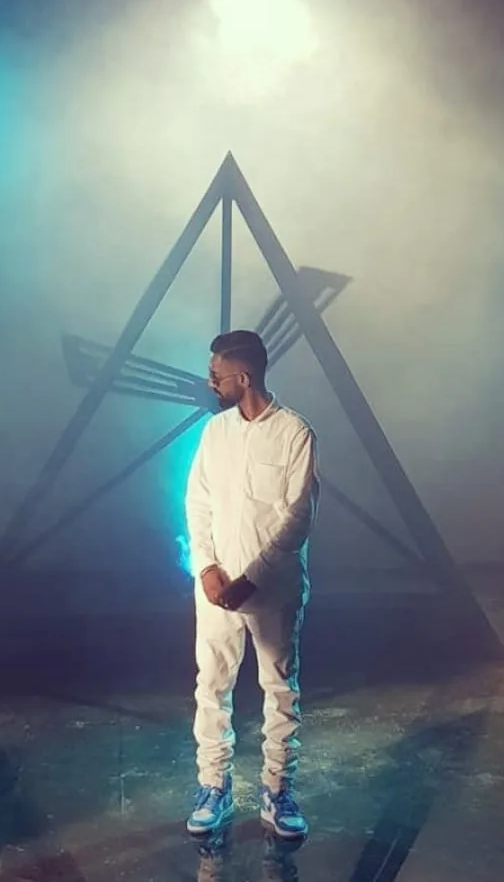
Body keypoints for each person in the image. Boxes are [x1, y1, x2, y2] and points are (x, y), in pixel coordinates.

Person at [185, 330, 319, 839]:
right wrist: (207, 569)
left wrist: (250, 580)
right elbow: (197, 503)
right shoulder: (214, 432)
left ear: (243, 378)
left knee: (279, 689)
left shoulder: (294, 433)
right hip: (217, 590)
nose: (210, 382)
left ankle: (277, 791)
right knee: (211, 687)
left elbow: (296, 519)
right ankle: (212, 787)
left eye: (216, 375)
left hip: (272, 590)